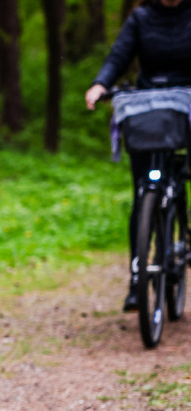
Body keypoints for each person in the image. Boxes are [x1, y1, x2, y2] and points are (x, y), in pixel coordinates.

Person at [85, 0, 191, 311]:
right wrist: (100, 84)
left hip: (186, 107)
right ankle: (138, 277)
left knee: (180, 174)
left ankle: (179, 240)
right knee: (143, 191)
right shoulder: (141, 18)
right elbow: (119, 55)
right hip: (148, 107)